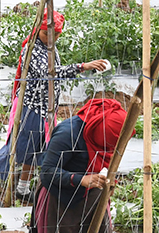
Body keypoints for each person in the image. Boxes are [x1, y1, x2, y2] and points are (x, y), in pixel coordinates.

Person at [0, 10, 109, 207]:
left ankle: (23, 188)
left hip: (45, 109)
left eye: (55, 35)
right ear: (38, 30)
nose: (50, 38)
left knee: (36, 149)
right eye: (46, 34)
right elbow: (48, 73)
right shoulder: (31, 48)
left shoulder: (49, 48)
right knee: (15, 148)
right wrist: (82, 66)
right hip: (30, 108)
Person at [31, 98, 127, 233]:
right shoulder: (67, 133)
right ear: (97, 130)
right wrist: (82, 180)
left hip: (91, 197)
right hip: (59, 200)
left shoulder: (105, 136)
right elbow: (48, 171)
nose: (109, 148)